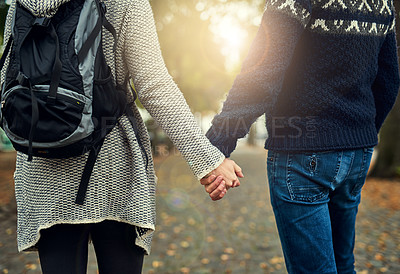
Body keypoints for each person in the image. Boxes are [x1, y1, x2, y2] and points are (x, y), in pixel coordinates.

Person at [0, 0, 243, 273]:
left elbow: (7, 82)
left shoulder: (22, 4)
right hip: (113, 167)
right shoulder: (125, 2)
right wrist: (208, 162)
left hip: (43, 171)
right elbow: (153, 86)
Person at [201, 0, 400, 273]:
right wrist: (358, 133)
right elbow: (389, 79)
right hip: (357, 153)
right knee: (343, 265)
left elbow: (262, 73)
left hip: (302, 151)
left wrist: (214, 147)